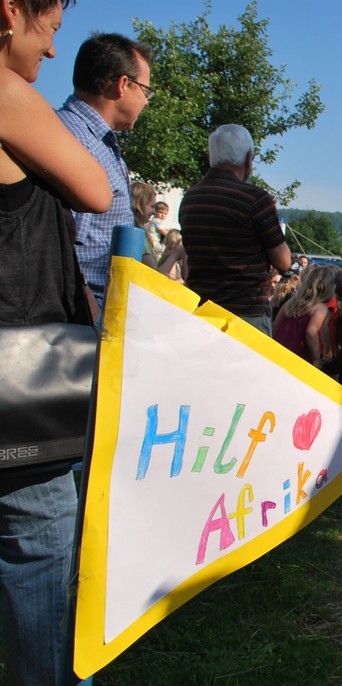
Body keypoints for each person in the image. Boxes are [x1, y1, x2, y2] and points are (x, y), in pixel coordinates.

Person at [1, 1, 113, 682]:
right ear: (10, 13)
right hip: (22, 391)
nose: (50, 56)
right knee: (40, 580)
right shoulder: (8, 96)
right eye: (49, 30)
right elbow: (96, 190)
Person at [56, 31, 152, 312]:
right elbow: (67, 249)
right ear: (123, 84)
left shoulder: (98, 142)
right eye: (146, 91)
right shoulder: (77, 140)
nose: (146, 102)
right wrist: (93, 315)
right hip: (84, 322)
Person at [179, 124, 292, 336]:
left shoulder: (190, 199)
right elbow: (283, 262)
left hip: (201, 309)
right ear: (249, 158)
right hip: (245, 314)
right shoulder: (255, 199)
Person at [272, 264, 336, 366]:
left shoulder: (290, 302)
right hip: (298, 354)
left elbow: (275, 325)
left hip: (279, 348)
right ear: (328, 288)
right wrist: (316, 359)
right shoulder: (320, 309)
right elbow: (311, 332)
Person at [130, 181, 158, 269]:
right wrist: (175, 255)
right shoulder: (136, 234)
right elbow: (154, 274)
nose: (154, 212)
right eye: (152, 207)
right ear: (140, 205)